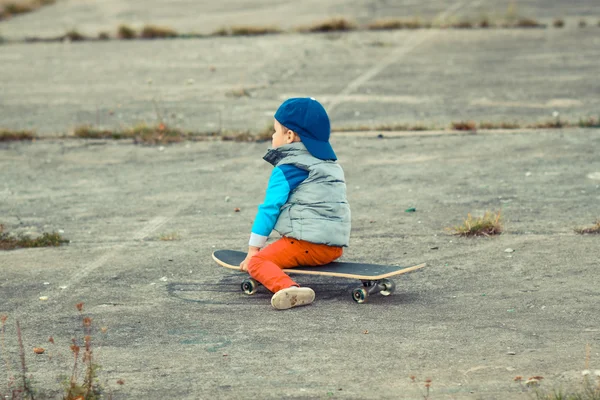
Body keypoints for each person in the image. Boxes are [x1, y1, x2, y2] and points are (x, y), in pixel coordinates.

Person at [239, 97, 351, 310]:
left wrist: (253, 250)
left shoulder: (288, 168)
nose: (272, 136)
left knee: (258, 263)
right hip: (334, 248)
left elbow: (269, 209)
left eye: (275, 131)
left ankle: (287, 287)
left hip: (307, 246)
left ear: (289, 136)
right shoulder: (330, 166)